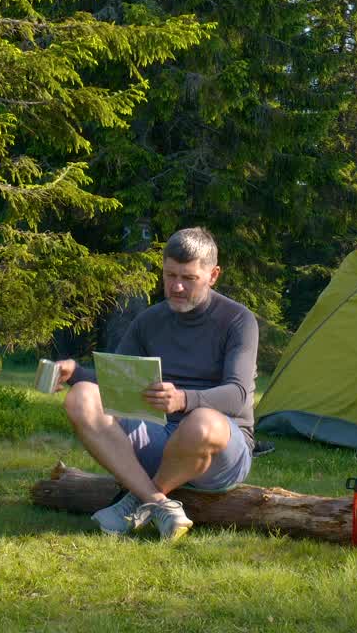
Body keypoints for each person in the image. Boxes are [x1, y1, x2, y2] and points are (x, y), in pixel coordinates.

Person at [55, 227, 258, 541]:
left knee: (201, 422)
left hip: (220, 452)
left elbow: (238, 396)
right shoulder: (149, 320)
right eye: (169, 275)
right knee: (82, 397)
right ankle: (159, 503)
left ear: (213, 275)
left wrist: (183, 400)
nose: (176, 287)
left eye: (188, 278)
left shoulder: (238, 320)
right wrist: (75, 374)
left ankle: (136, 500)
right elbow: (117, 381)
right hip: (158, 437)